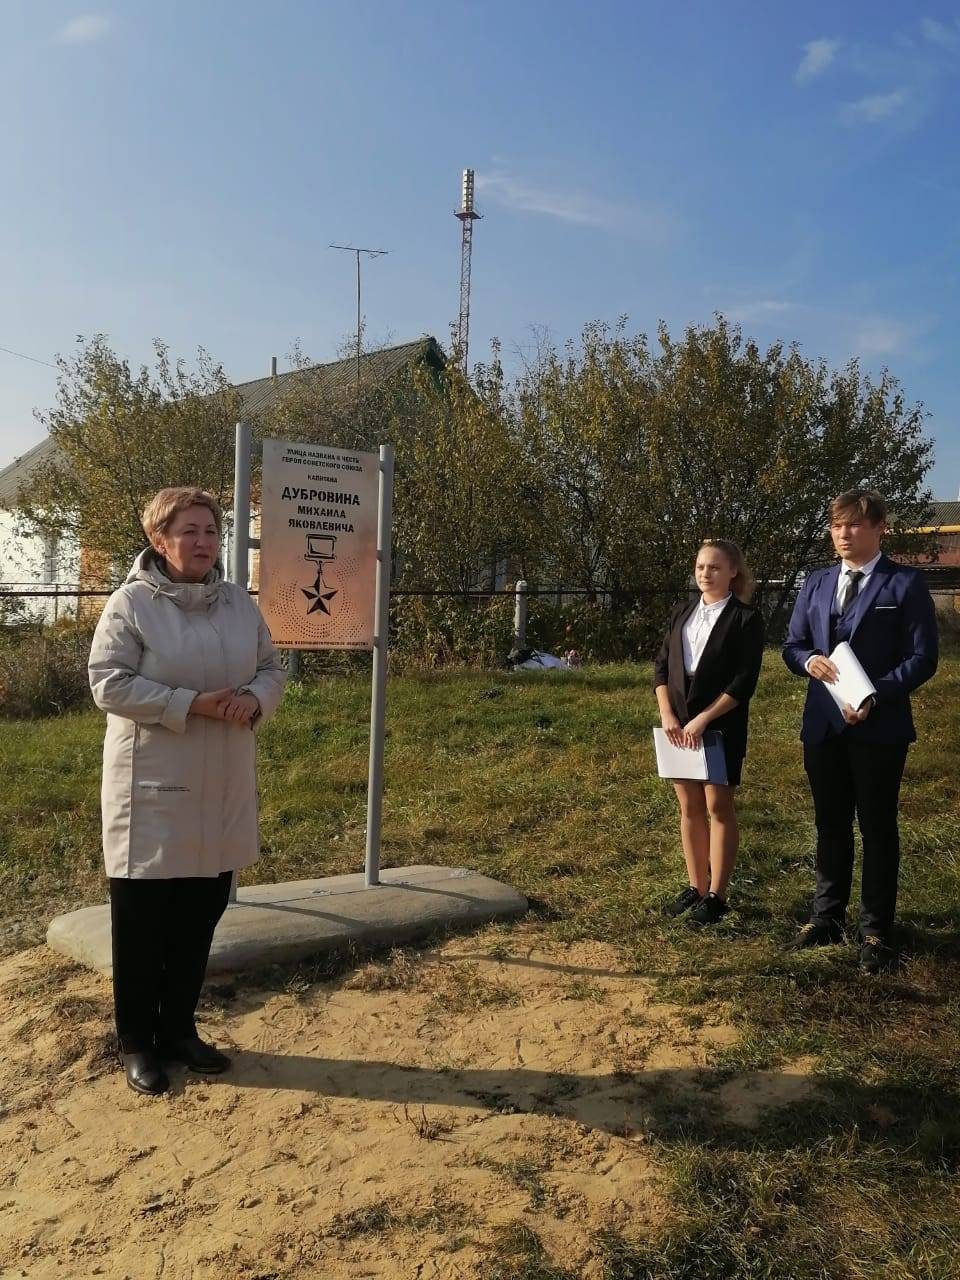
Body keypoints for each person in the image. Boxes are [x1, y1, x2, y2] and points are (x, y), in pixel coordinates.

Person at [88, 487, 287, 1095]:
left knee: (200, 914)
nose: (203, 543)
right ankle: (137, 1042)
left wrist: (255, 700)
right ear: (159, 539)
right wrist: (189, 704)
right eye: (189, 531)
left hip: (221, 781)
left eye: (211, 531)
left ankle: (178, 1029)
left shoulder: (238, 604)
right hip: (153, 786)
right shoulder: (131, 605)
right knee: (143, 923)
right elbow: (108, 682)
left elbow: (270, 668)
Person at [782, 489, 938, 972]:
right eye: (836, 526)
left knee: (877, 827)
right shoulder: (817, 581)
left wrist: (875, 695)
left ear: (879, 528)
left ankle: (875, 930)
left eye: (853, 525)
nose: (842, 534)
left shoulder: (905, 583)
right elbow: (793, 644)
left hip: (880, 726)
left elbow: (923, 657)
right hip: (823, 726)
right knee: (829, 824)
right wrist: (807, 661)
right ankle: (826, 917)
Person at [653, 539, 765, 925]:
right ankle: (695, 886)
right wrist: (667, 713)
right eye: (701, 567)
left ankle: (717, 894)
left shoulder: (746, 619)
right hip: (678, 726)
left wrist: (704, 718)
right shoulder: (681, 612)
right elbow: (662, 666)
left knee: (718, 807)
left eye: (715, 567)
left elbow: (744, 680)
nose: (706, 574)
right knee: (689, 807)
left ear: (733, 571)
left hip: (721, 726)